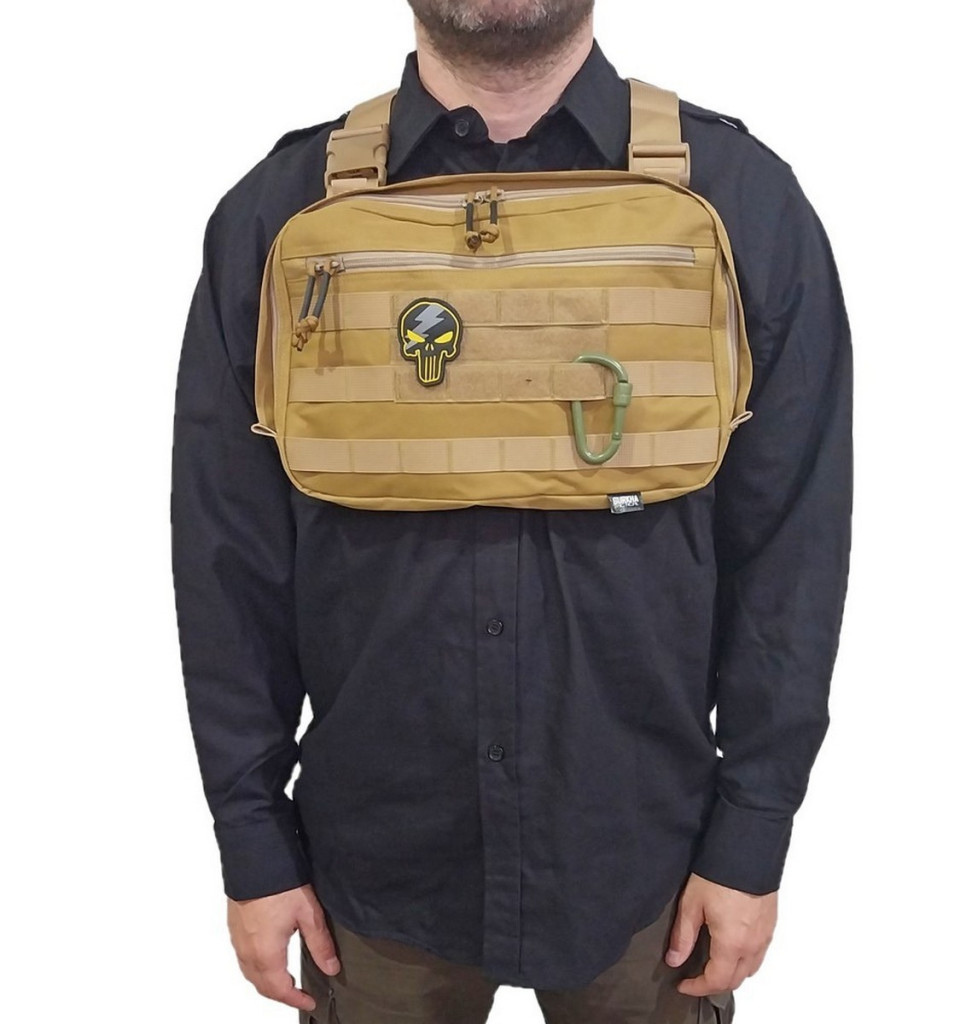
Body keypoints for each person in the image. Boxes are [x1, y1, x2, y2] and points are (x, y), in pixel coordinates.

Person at [169, 2, 853, 1021]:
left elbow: (792, 550)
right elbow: (226, 556)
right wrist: (253, 843)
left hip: (651, 869)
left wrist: (753, 833)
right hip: (369, 871)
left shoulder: (740, 199)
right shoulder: (278, 212)